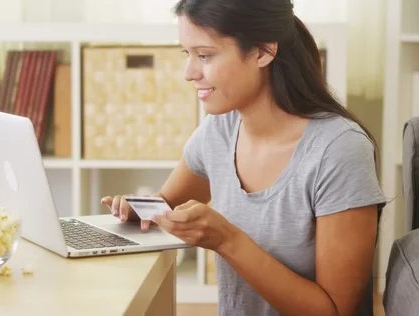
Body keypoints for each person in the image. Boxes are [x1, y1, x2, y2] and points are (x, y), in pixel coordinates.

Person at [100, 0, 387, 315]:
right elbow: (166, 203)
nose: (189, 73)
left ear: (263, 52)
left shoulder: (339, 150)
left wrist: (227, 240)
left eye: (205, 55)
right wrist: (139, 210)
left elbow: (335, 311)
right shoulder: (220, 130)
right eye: (188, 54)